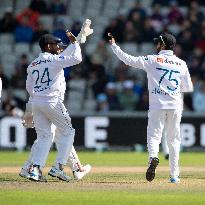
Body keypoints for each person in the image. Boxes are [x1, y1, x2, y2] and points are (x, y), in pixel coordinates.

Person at [108, 32, 193, 183]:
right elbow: (187, 88)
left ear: (162, 45)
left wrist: (114, 46)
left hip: (157, 105)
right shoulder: (182, 63)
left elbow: (128, 60)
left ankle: (153, 157)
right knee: (174, 140)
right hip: (175, 106)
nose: (156, 45)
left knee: (154, 136)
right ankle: (174, 176)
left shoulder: (152, 60)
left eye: (157, 43)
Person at [20, 20, 93, 182]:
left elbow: (29, 88)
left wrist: (79, 38)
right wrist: (76, 42)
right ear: (48, 46)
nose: (59, 47)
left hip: (37, 102)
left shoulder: (32, 65)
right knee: (68, 132)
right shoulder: (53, 60)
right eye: (56, 44)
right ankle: (58, 167)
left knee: (45, 137)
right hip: (52, 101)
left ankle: (35, 170)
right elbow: (76, 58)